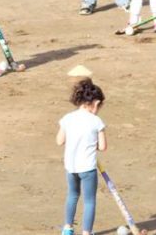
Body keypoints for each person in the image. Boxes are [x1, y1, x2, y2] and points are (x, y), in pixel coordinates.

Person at [57, 78, 107, 235]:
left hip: (70, 167)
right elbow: (103, 146)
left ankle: (68, 228)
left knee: (72, 195)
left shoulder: (68, 118)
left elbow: (59, 141)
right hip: (87, 168)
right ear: (96, 103)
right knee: (90, 200)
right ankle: (86, 232)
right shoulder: (96, 121)